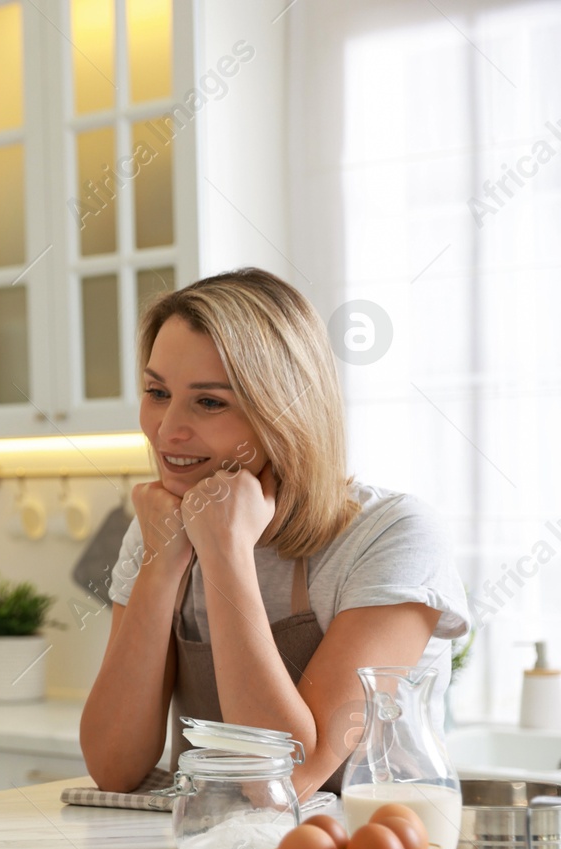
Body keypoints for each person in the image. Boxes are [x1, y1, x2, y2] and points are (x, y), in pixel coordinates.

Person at [80, 268, 469, 798]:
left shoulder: (394, 537)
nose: (167, 430)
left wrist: (225, 553)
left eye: (210, 402)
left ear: (284, 411)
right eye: (157, 392)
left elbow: (281, 785)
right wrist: (162, 560)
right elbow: (113, 767)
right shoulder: (160, 527)